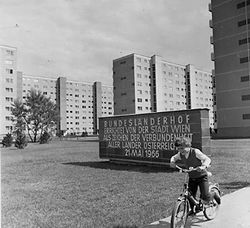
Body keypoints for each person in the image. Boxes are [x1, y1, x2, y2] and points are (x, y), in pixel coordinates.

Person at [170, 137, 221, 215]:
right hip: (192, 177)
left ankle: (214, 194)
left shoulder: (195, 152)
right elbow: (174, 157)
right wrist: (172, 162)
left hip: (202, 176)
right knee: (190, 195)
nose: (180, 150)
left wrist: (203, 166)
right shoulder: (180, 154)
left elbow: (207, 159)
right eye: (179, 149)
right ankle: (194, 209)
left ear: (188, 146)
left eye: (182, 148)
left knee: (205, 196)